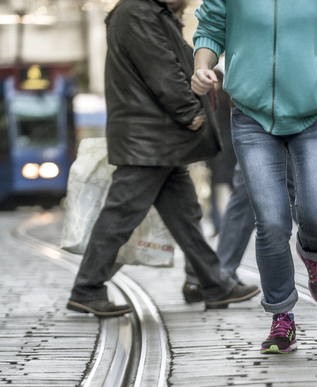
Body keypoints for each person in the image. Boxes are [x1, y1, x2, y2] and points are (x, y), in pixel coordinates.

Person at [192, 2, 317, 354]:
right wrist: (201, 67)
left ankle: (315, 257)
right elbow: (210, 27)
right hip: (251, 116)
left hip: (314, 113)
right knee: (271, 223)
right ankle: (281, 317)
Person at [67, 0, 260, 316]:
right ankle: (87, 288)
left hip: (159, 139)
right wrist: (188, 111)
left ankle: (212, 283)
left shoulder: (150, 13)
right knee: (122, 214)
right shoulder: (137, 12)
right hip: (148, 138)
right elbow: (162, 68)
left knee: (186, 214)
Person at [182, 162, 317, 303]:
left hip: (267, 116)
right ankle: (221, 277)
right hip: (263, 118)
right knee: (277, 186)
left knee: (250, 191)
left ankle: (221, 277)